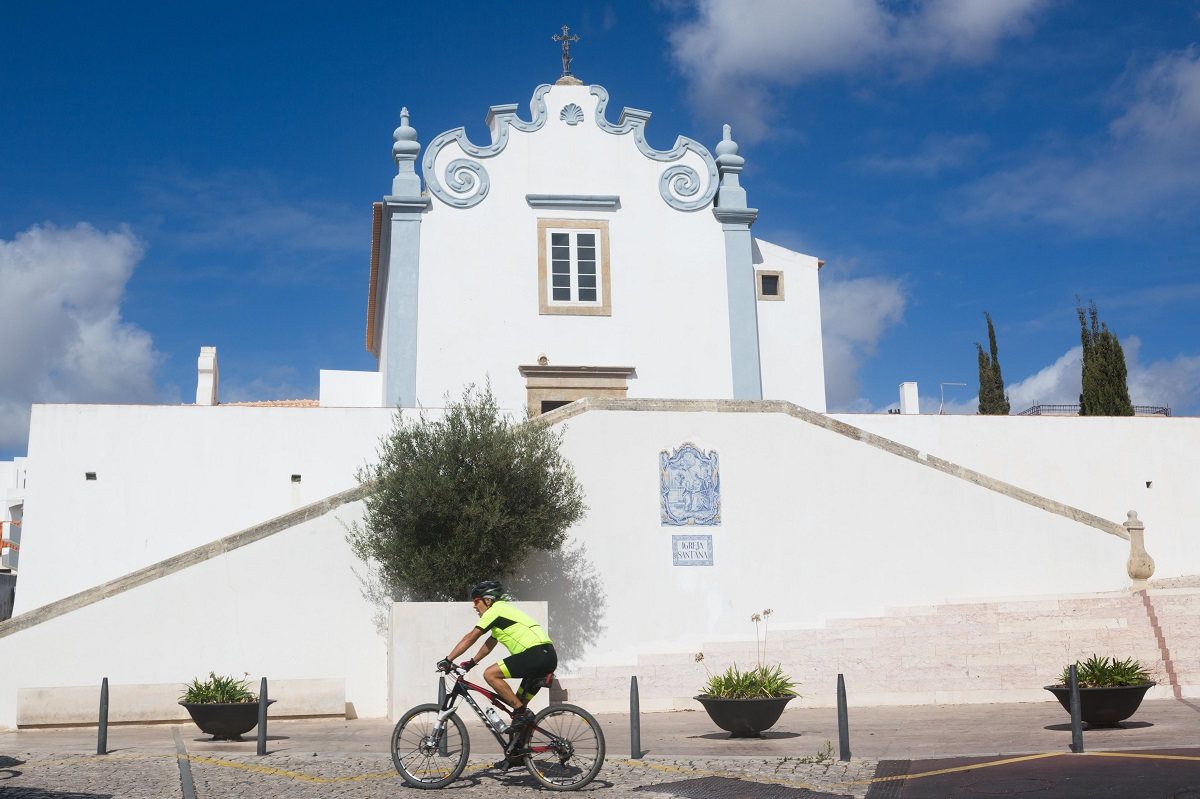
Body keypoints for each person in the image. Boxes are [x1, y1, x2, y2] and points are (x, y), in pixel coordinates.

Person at [438, 580, 557, 766]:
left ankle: (520, 713)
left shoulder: (496, 610)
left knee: (491, 674)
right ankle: (516, 755)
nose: (473, 605)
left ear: (487, 600)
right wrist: (470, 663)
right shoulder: (502, 614)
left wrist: (448, 659)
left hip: (535, 654)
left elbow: (471, 637)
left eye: (476, 600)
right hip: (546, 655)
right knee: (519, 712)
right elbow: (488, 645)